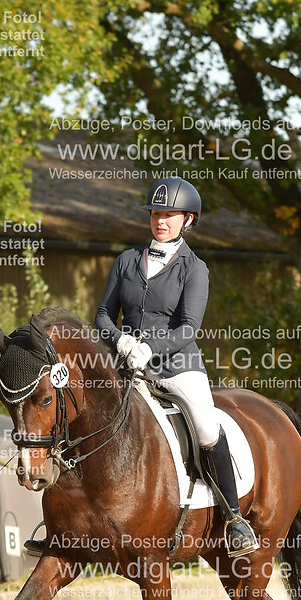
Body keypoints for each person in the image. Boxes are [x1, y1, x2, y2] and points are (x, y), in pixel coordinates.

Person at [93, 176, 258, 556]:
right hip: (125, 365)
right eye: (155, 214)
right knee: (81, 412)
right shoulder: (127, 260)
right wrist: (120, 340)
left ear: (188, 219)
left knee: (206, 427)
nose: (160, 221)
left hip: (177, 366)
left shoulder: (194, 268)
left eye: (169, 215)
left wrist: (149, 348)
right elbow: (103, 314)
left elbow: (188, 328)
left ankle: (234, 518)